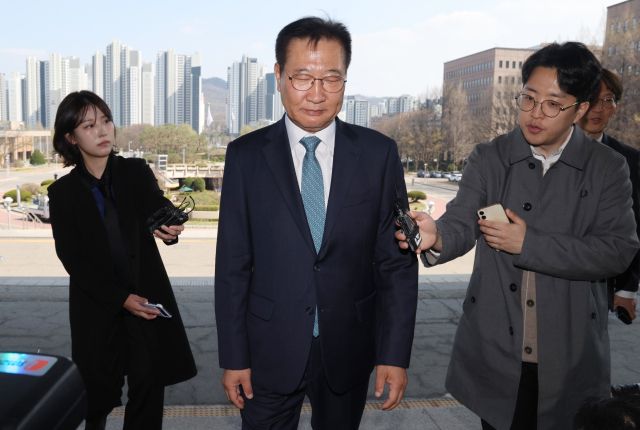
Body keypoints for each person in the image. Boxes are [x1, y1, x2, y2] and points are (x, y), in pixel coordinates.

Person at [396, 42, 639, 429]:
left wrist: (529, 244)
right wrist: (436, 234)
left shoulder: (608, 168)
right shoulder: (490, 157)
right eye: (528, 98)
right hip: (496, 347)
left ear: (579, 109)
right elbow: (462, 219)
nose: (535, 113)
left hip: (570, 350)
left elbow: (617, 250)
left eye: (553, 104)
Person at [215, 16, 418, 430]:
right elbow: (232, 266)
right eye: (303, 77)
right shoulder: (245, 157)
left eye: (331, 78)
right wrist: (234, 357)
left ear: (345, 79)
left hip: (348, 345)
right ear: (279, 76)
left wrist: (394, 354)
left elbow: (395, 263)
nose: (317, 93)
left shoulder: (378, 155)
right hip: (268, 349)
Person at [48, 90, 197, 430]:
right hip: (97, 305)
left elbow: (155, 204)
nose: (102, 131)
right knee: (97, 396)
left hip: (144, 300)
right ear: (71, 138)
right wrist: (119, 298)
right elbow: (72, 258)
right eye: (89, 126)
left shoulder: (134, 171)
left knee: (149, 383)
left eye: (106, 121)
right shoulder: (63, 193)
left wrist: (169, 226)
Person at [578, 68, 640, 323]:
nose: (599, 109)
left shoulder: (630, 160)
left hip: (601, 282)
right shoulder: (546, 150)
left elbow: (636, 226)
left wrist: (627, 288)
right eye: (592, 99)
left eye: (608, 100)